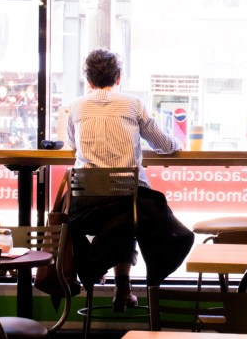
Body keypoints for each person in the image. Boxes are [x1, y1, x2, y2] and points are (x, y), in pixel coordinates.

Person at [67, 49, 192, 311]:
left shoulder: (76, 106)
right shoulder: (133, 105)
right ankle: (124, 286)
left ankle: (105, 273)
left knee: (121, 214)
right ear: (119, 77)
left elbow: (72, 144)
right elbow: (165, 145)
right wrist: (177, 141)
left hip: (84, 207)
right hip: (128, 203)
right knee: (130, 210)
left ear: (88, 80)